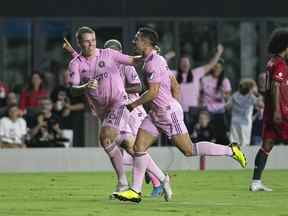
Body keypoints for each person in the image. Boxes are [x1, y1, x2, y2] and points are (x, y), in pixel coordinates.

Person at [113, 27, 247, 203]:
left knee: (189, 150)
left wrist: (135, 104)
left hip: (167, 114)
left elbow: (153, 92)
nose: (133, 41)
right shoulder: (152, 59)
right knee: (139, 148)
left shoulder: (154, 62)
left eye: (137, 38)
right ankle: (135, 191)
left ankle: (230, 150)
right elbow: (173, 82)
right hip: (155, 114)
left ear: (146, 42)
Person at [67, 26, 168, 197]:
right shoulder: (75, 64)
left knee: (105, 137)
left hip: (119, 103)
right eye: (87, 41)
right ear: (79, 43)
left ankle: (123, 183)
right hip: (102, 110)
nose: (91, 44)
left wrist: (149, 54)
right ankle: (161, 178)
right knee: (129, 145)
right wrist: (84, 86)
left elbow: (133, 60)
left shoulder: (108, 54)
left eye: (93, 40)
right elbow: (72, 89)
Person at [250, 28, 288, 192]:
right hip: (280, 112)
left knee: (266, 145)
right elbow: (275, 85)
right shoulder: (280, 63)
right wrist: (278, 111)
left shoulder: (270, 62)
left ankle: (256, 182)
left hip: (269, 111)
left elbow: (265, 87)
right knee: (267, 145)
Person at [176, 45, 224, 134]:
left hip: (194, 111)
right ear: (179, 65)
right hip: (179, 110)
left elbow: (211, 65)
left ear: (190, 64)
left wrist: (219, 53)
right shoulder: (174, 75)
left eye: (187, 62)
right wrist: (167, 57)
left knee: (193, 135)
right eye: (182, 62)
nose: (185, 64)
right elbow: (162, 69)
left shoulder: (196, 73)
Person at [199, 58, 231, 145]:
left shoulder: (225, 81)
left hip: (219, 111)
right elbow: (200, 95)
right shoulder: (205, 79)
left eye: (219, 68)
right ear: (212, 68)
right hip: (206, 110)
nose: (217, 69)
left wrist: (223, 94)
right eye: (215, 67)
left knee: (220, 133)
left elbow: (227, 98)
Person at [228, 79, 261, 146]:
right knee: (245, 142)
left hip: (235, 122)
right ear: (250, 88)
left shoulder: (235, 95)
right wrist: (258, 96)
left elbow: (228, 106)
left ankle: (235, 154)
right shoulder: (251, 97)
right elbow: (260, 104)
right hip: (245, 123)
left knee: (234, 141)